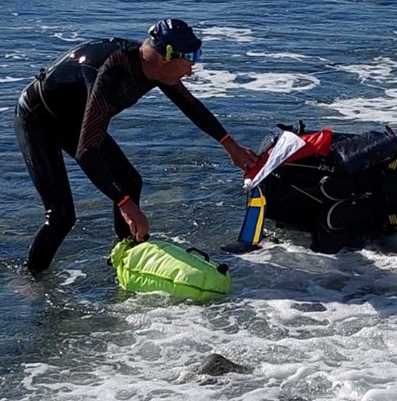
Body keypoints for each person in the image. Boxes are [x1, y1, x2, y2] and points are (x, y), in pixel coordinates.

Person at [14, 18, 258, 274]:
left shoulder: (155, 68)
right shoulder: (110, 73)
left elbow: (190, 105)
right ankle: (30, 280)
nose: (189, 72)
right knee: (61, 216)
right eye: (188, 64)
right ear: (166, 56)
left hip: (75, 120)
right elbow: (87, 152)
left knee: (130, 181)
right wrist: (125, 205)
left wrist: (230, 145)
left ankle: (128, 255)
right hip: (38, 119)